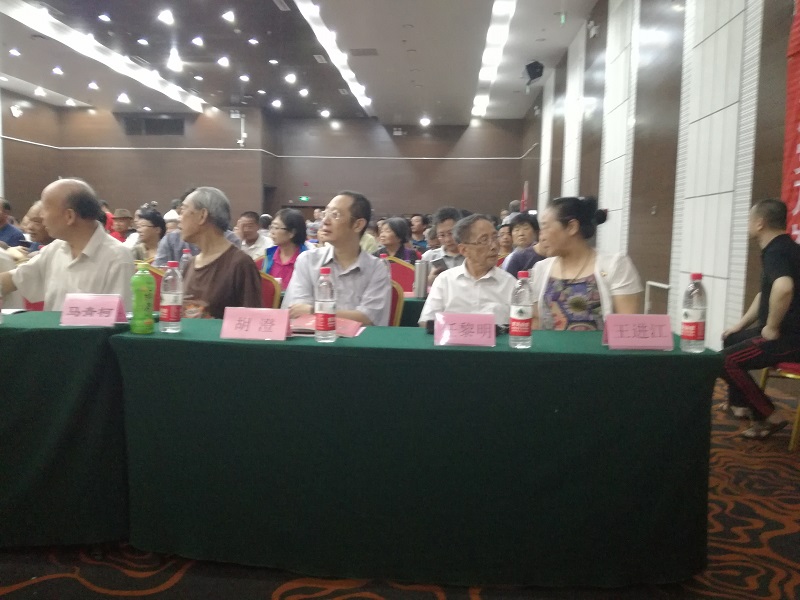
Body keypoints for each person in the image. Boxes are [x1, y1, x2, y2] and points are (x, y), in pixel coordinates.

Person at [720, 198, 800, 439]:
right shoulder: (784, 247)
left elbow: (783, 288)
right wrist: (739, 325)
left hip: (790, 338)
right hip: (787, 332)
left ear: (760, 223)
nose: (747, 224)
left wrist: (772, 327)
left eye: (749, 219)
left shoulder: (777, 251)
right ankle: (740, 405)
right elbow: (765, 295)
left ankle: (770, 416)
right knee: (731, 338)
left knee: (724, 361)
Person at [0, 178, 135, 310]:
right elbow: (15, 279)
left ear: (69, 216)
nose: (41, 216)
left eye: (46, 208)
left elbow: (119, 318)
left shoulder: (117, 258)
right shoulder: (55, 249)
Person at [531, 196, 642, 330]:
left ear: (572, 227)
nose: (541, 237)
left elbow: (627, 328)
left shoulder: (615, 266)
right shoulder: (540, 269)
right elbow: (534, 322)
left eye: (545, 227)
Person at [283, 191, 390, 326]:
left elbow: (368, 317)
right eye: (325, 214)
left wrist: (314, 311)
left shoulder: (377, 268)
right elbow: (298, 311)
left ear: (358, 225)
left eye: (335, 215)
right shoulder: (308, 260)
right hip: (315, 338)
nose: (325, 221)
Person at [179, 187, 262, 319]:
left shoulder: (240, 264)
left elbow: (253, 320)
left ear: (202, 216)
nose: (179, 218)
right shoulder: (190, 263)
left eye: (183, 210)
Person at [418, 214, 516, 325]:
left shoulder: (510, 284)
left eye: (495, 237)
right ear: (464, 250)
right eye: (484, 240)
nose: (494, 246)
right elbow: (426, 322)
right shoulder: (445, 281)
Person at [261, 208, 309, 287]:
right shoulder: (269, 256)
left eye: (276, 228)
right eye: (271, 227)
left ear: (292, 233)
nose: (272, 232)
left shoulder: (307, 258)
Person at [421, 207, 465, 283]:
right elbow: (416, 287)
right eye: (442, 235)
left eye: (451, 233)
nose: (447, 239)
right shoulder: (429, 257)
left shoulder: (472, 255)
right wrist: (429, 281)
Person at [503, 213, 547, 277]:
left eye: (526, 228)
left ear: (536, 232)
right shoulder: (511, 258)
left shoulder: (544, 252)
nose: (521, 233)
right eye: (516, 230)